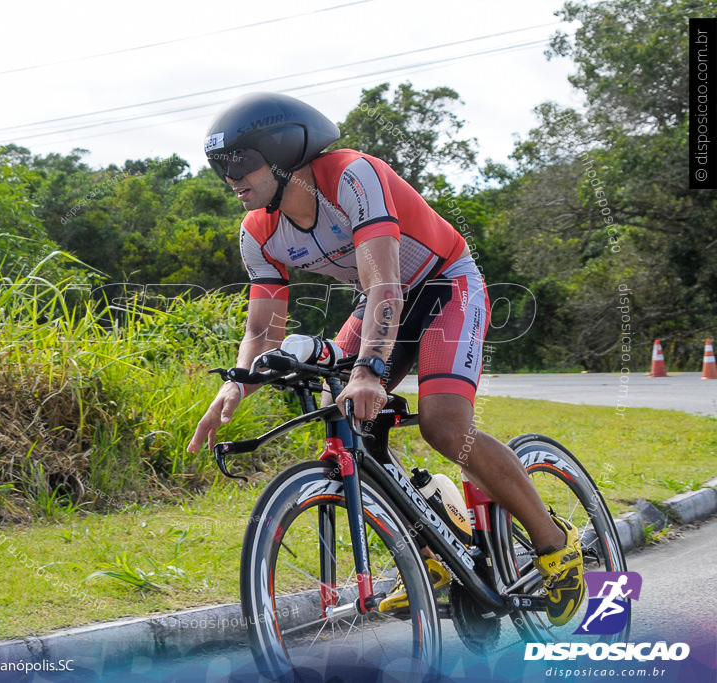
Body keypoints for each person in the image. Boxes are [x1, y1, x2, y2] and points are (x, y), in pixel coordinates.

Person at [185, 92, 585, 625]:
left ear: (282, 151)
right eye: (220, 165)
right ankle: (435, 537)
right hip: (377, 301)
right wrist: (232, 389)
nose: (229, 176)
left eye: (240, 160)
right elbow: (262, 330)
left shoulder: (353, 175)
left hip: (444, 287)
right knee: (344, 414)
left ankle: (555, 544)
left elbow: (384, 283)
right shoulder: (257, 231)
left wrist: (370, 369)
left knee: (444, 426)